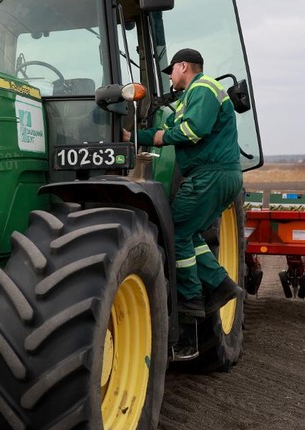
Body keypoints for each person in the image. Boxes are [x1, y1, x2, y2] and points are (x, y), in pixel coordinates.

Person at [123, 48, 244, 359]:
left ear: (183, 66)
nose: (171, 78)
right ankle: (220, 284)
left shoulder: (202, 88)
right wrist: (136, 137)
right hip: (218, 176)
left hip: (209, 175)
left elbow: (192, 132)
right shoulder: (192, 95)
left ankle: (189, 318)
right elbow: (173, 127)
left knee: (175, 235)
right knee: (188, 234)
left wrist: (157, 138)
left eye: (172, 72)